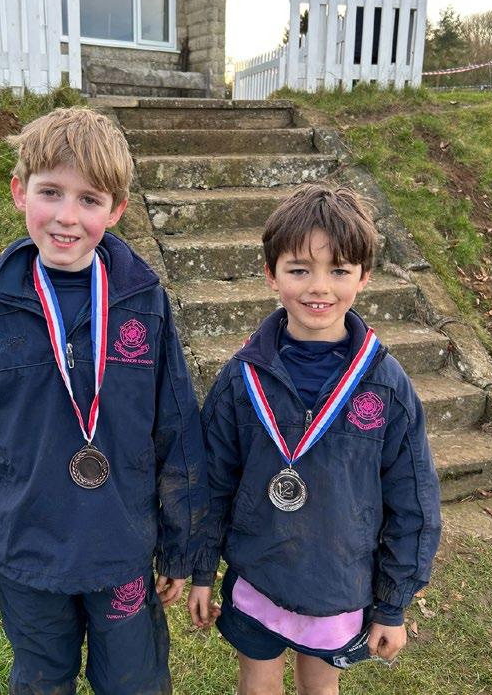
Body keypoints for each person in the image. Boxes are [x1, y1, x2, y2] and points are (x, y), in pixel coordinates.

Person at [0, 106, 208, 695]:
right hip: (29, 551)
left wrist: (180, 545)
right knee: (41, 680)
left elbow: (177, 428)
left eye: (89, 199)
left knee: (134, 682)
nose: (67, 216)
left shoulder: (144, 303)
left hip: (121, 549)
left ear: (117, 209)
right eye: (50, 192)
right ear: (19, 191)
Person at [188, 184, 441, 695]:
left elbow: (413, 499)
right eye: (299, 269)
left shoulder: (386, 386)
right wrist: (200, 570)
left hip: (337, 583)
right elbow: (210, 481)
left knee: (320, 689)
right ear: (271, 274)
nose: (319, 287)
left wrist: (392, 605)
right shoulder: (241, 378)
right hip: (258, 574)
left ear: (364, 277)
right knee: (257, 685)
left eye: (339, 270)